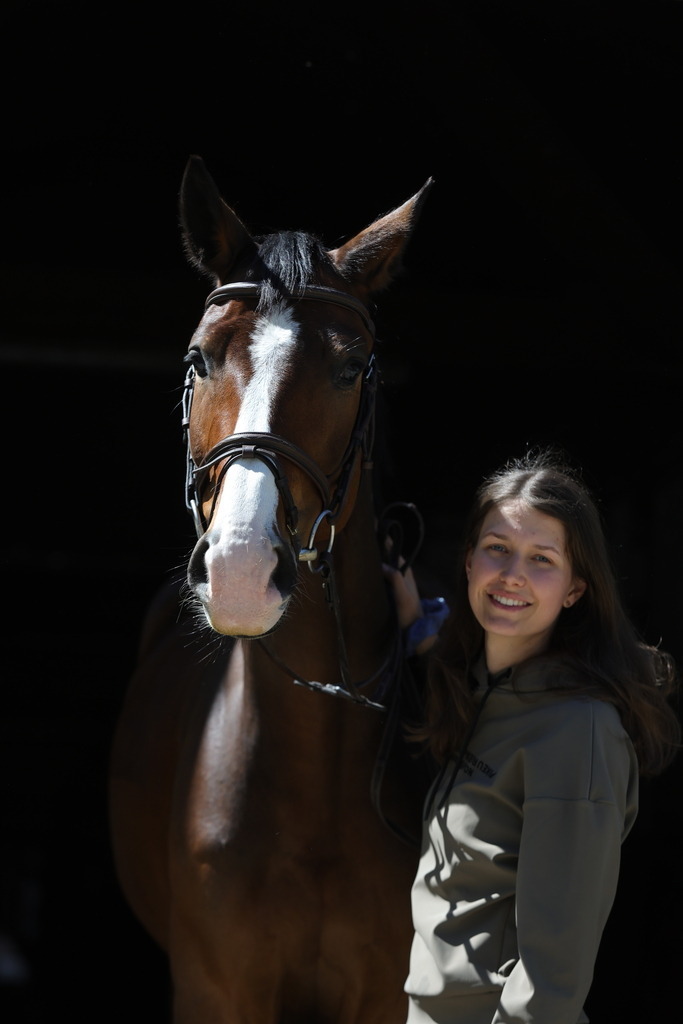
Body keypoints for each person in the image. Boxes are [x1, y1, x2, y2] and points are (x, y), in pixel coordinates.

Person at [384, 451, 680, 1024]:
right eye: (497, 549)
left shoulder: (579, 733)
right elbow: (442, 655)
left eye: (541, 559)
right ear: (468, 562)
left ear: (574, 590)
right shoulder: (483, 688)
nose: (512, 573)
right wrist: (413, 620)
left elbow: (550, 982)